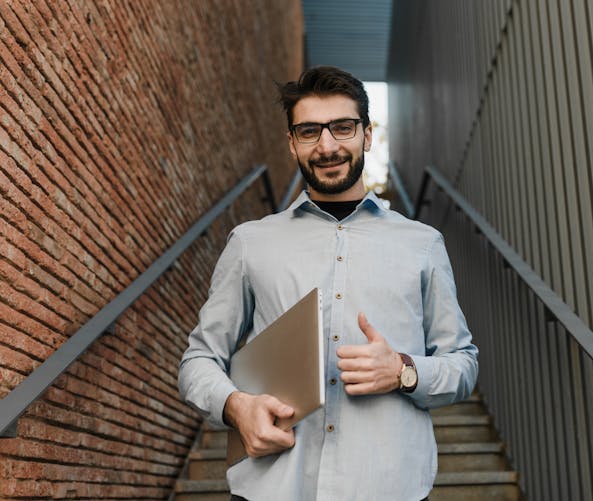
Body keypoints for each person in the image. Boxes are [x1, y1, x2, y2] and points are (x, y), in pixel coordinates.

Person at [178, 66, 478, 501]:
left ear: (367, 135)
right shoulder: (250, 243)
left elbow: (462, 363)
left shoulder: (423, 245)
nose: (327, 146)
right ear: (291, 142)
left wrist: (403, 371)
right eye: (309, 131)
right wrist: (235, 406)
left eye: (342, 127)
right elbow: (199, 359)